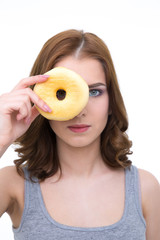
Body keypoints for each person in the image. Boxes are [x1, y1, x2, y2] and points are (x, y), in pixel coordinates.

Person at [0, 29, 160, 240]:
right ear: (37, 96)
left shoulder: (144, 187)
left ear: (111, 101)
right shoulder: (13, 183)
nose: (80, 111)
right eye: (62, 93)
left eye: (94, 92)